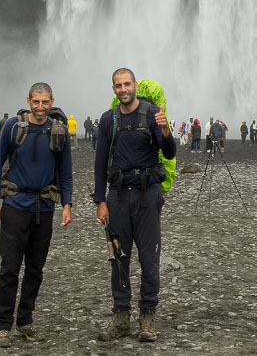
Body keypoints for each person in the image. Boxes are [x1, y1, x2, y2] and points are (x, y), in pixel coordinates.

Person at [0, 82, 73, 347]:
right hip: (15, 207)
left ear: (52, 101)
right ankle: (2, 326)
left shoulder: (58, 131)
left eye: (45, 102)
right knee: (9, 268)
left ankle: (24, 321)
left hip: (44, 209)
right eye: (36, 102)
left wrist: (67, 205)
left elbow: (66, 173)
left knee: (35, 269)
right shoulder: (13, 127)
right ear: (29, 100)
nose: (40, 107)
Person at [94, 68, 176, 343]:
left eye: (127, 84)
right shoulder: (109, 119)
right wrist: (100, 200)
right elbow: (100, 160)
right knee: (119, 259)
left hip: (147, 195)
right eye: (118, 85)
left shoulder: (153, 113)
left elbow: (169, 152)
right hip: (117, 196)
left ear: (135, 85)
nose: (123, 89)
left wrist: (165, 130)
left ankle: (147, 316)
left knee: (149, 257)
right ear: (114, 88)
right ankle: (121, 317)